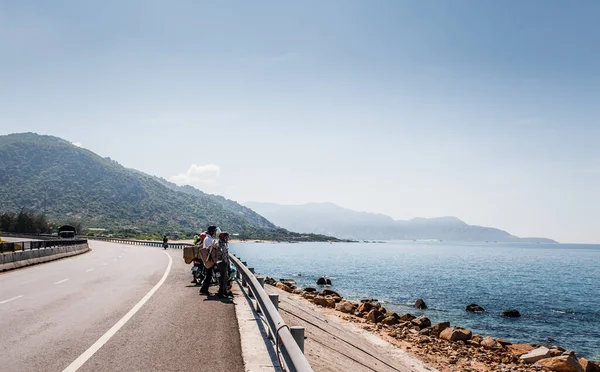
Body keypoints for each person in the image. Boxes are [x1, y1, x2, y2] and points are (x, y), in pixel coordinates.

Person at [199, 226, 218, 295]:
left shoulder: (208, 238)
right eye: (214, 231)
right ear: (211, 232)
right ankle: (204, 290)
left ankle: (203, 289)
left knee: (208, 275)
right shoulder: (208, 239)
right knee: (209, 276)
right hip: (209, 260)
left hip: (209, 259)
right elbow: (212, 249)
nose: (215, 232)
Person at [216, 232, 231, 298]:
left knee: (221, 278)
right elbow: (224, 255)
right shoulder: (222, 244)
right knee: (223, 279)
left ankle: (223, 291)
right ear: (223, 238)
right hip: (222, 263)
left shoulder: (219, 243)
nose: (228, 239)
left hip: (218, 263)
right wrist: (227, 262)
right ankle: (221, 293)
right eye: (226, 237)